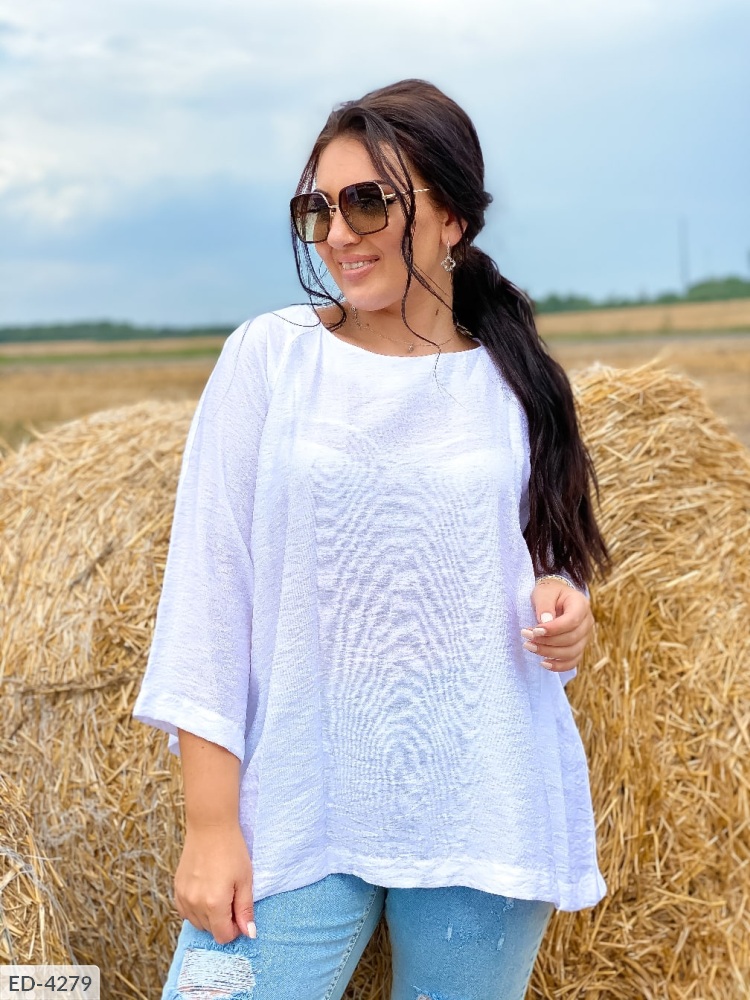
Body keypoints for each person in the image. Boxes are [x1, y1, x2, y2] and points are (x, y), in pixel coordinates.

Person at [132, 78, 610, 1000]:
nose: (337, 233)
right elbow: (209, 594)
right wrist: (210, 824)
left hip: (484, 804)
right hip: (299, 803)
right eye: (317, 209)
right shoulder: (271, 357)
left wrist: (565, 609)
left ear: (452, 217)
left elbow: (537, 562)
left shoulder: (517, 384)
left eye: (366, 202)